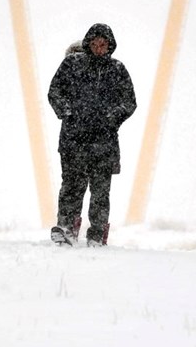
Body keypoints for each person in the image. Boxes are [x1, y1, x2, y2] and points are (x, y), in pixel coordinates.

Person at [47, 23, 137, 246]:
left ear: (110, 46)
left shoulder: (117, 70)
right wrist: (67, 112)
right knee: (71, 186)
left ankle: (97, 235)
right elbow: (54, 91)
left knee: (100, 192)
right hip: (73, 139)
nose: (99, 47)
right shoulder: (71, 64)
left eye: (103, 44)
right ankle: (66, 229)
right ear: (88, 43)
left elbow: (129, 102)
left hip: (103, 142)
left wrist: (111, 118)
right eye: (95, 43)